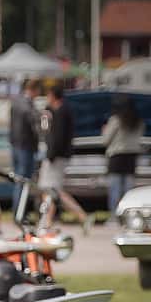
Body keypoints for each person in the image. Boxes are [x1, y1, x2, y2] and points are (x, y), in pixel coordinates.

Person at [41, 84, 88, 232]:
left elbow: (57, 137)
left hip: (55, 156)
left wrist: (51, 155)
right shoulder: (63, 111)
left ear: (53, 96)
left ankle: (81, 216)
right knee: (52, 189)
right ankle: (47, 220)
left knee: (51, 189)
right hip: (60, 155)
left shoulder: (61, 112)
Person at [103, 93, 145, 215]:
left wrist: (104, 130)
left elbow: (105, 140)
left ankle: (114, 216)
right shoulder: (138, 121)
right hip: (131, 157)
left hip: (117, 156)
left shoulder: (116, 120)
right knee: (128, 189)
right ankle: (128, 214)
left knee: (115, 188)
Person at [8, 79, 40, 212]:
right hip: (25, 146)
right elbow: (32, 118)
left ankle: (18, 210)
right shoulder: (26, 104)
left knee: (19, 180)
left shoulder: (16, 102)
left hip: (15, 145)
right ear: (34, 90)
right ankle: (19, 211)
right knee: (23, 181)